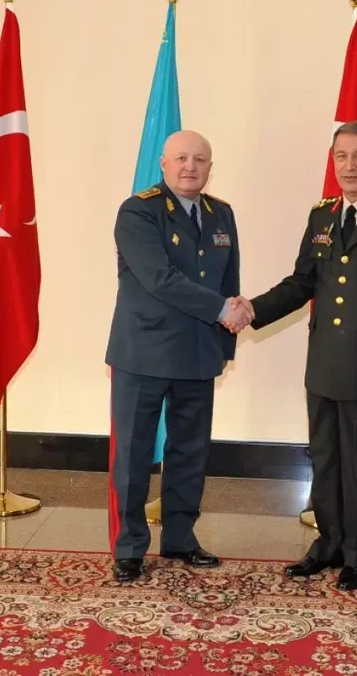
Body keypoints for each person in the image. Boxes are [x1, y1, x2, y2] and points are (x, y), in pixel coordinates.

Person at [240, 121, 357, 592]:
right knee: (325, 460)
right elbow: (302, 283)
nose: (350, 166)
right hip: (324, 364)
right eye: (341, 156)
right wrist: (252, 309)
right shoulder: (322, 216)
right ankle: (327, 543)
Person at [105, 129, 252, 583]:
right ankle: (130, 547)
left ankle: (181, 538)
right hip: (143, 353)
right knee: (134, 453)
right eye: (182, 158)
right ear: (164, 164)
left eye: (200, 159)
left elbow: (228, 281)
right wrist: (223, 310)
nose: (191, 167)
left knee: (190, 451)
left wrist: (225, 339)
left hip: (198, 352)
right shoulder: (138, 211)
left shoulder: (221, 213)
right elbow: (160, 278)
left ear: (210, 167)